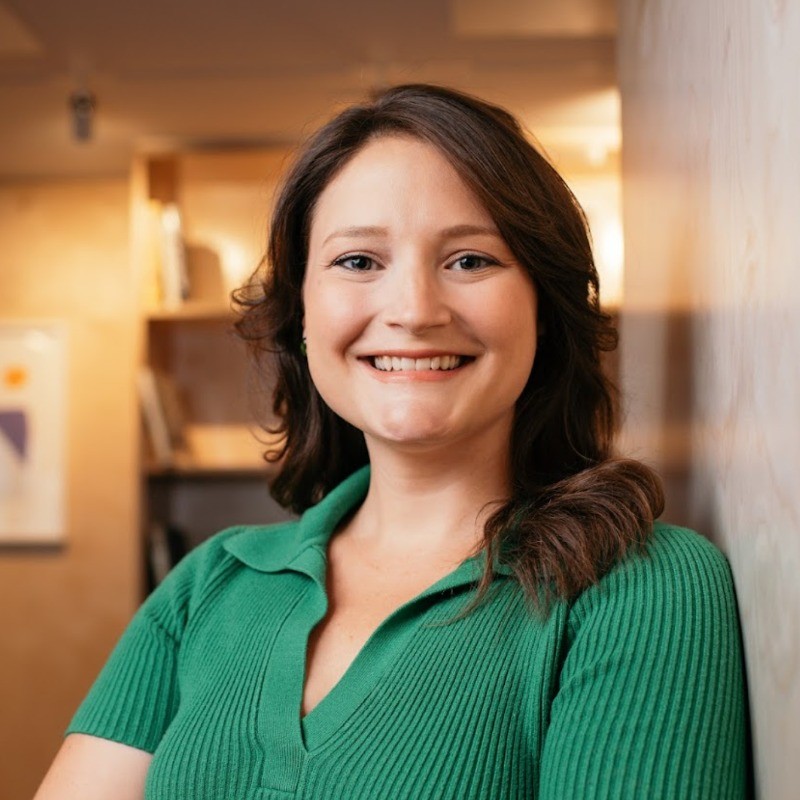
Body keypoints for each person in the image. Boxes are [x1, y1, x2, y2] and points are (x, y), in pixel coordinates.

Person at [35, 84, 748, 799]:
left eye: (471, 259)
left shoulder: (639, 585)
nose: (412, 310)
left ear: (544, 306)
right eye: (358, 262)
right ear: (301, 314)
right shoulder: (209, 586)